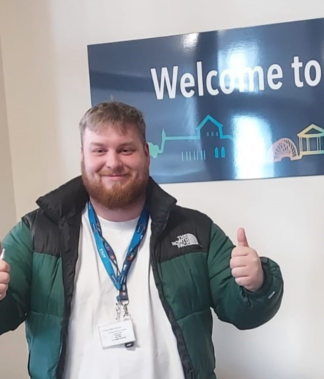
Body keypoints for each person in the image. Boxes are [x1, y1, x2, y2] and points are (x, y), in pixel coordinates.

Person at [0, 101, 284, 379]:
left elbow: (244, 313)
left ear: (146, 154)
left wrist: (259, 284)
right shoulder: (36, 233)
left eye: (125, 149)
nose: (113, 162)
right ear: (83, 156)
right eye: (99, 150)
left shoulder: (195, 231)